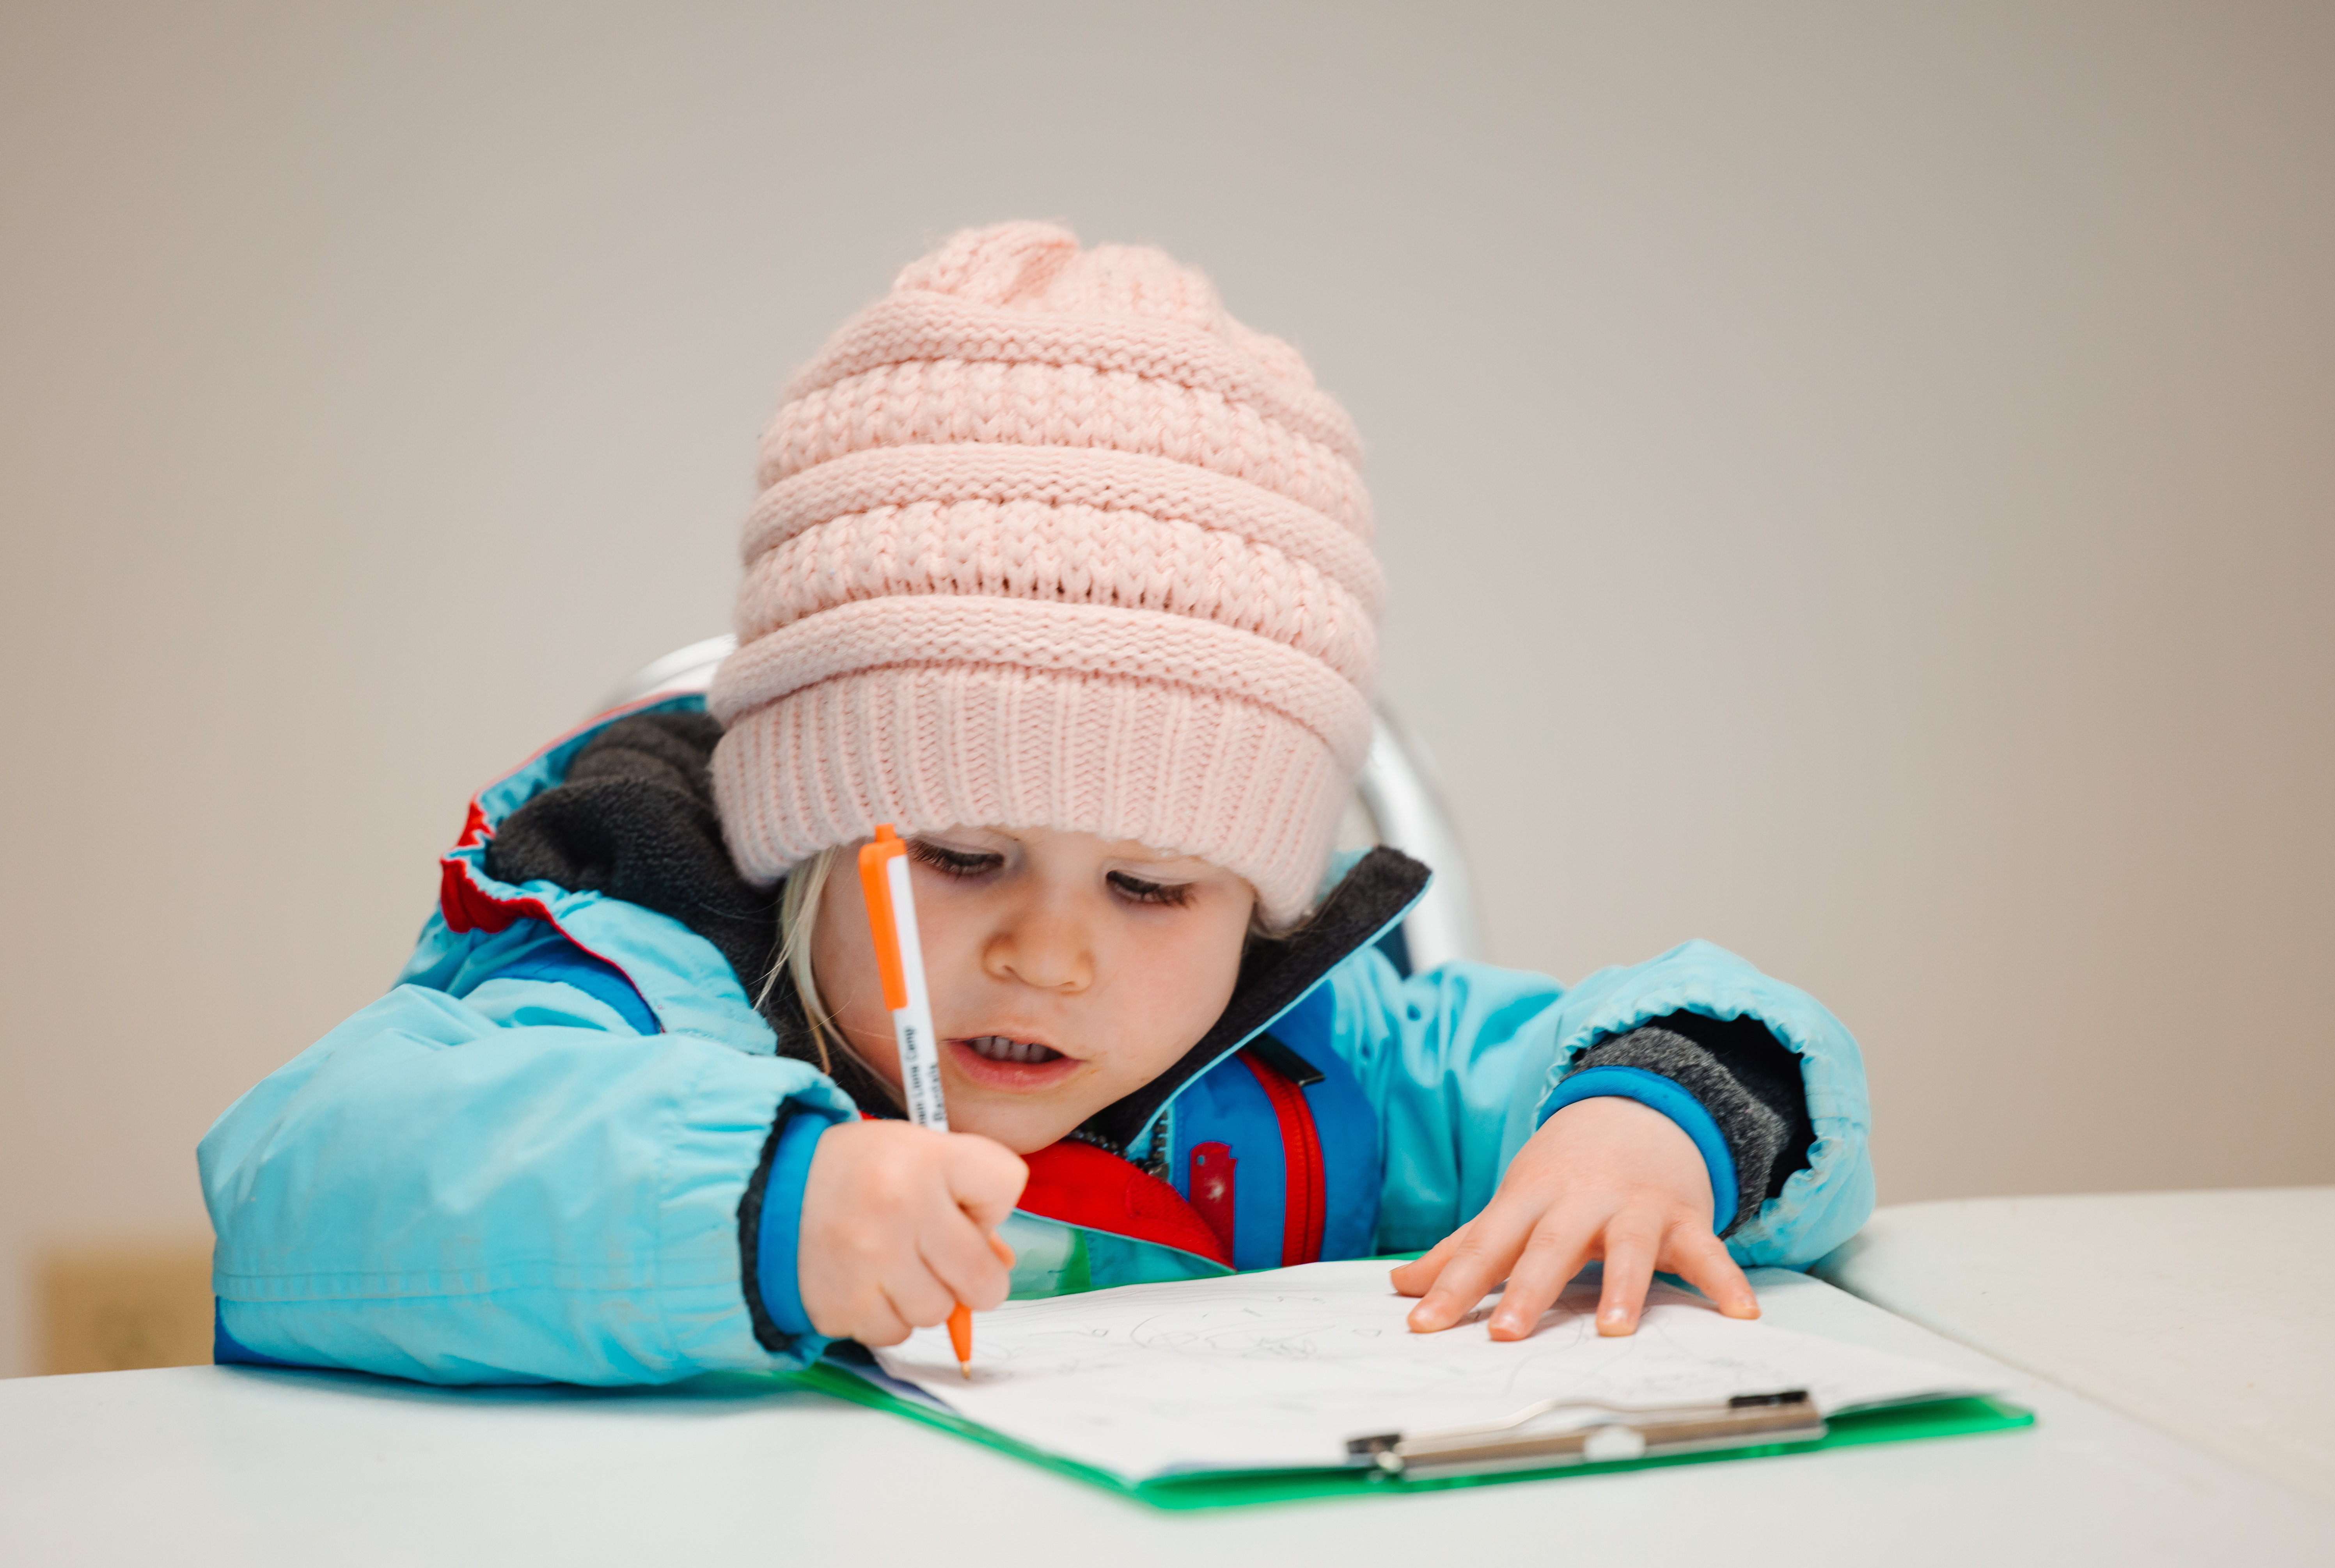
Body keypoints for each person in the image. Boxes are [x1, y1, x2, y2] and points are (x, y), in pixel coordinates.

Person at [200, 222, 1873, 1387]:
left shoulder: (1326, 1064)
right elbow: (304, 1188)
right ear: (802, 824)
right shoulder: (632, 999)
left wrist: (1638, 1133)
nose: (1051, 955)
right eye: (964, 854)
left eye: (1154, 887)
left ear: (1260, 905)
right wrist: (768, 1208)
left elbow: (1704, 1041)